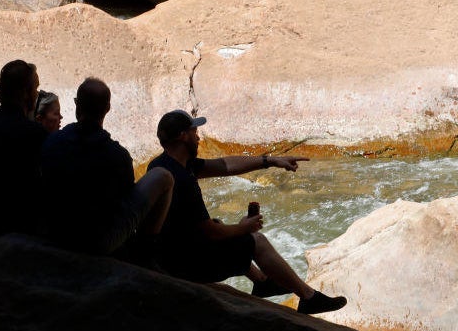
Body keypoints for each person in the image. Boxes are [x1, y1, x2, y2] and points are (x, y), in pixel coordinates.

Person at [148, 110, 346, 315]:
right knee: (255, 240)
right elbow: (211, 233)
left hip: (167, 254)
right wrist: (245, 228)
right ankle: (308, 297)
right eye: (195, 132)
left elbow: (225, 165)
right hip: (183, 266)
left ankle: (262, 281)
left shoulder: (164, 165)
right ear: (183, 135)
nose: (198, 138)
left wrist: (270, 160)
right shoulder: (182, 178)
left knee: (218, 221)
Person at [40, 78, 173, 264]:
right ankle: (146, 254)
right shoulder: (117, 155)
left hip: (57, 234)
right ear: (108, 108)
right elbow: (124, 202)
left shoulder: (51, 143)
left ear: (77, 105)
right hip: (97, 243)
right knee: (162, 176)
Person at [0, 60, 49, 237]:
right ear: (24, 93)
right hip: (19, 221)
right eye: (35, 89)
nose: (37, 95)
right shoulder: (33, 133)